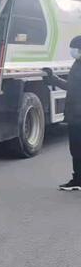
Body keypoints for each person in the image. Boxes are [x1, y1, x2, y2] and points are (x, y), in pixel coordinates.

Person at [44, 36, 81, 190]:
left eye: (74, 49)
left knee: (78, 149)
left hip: (79, 115)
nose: (72, 52)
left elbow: (73, 87)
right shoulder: (77, 64)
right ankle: (78, 180)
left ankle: (78, 180)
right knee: (76, 149)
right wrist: (53, 79)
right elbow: (72, 86)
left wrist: (54, 80)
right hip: (75, 115)